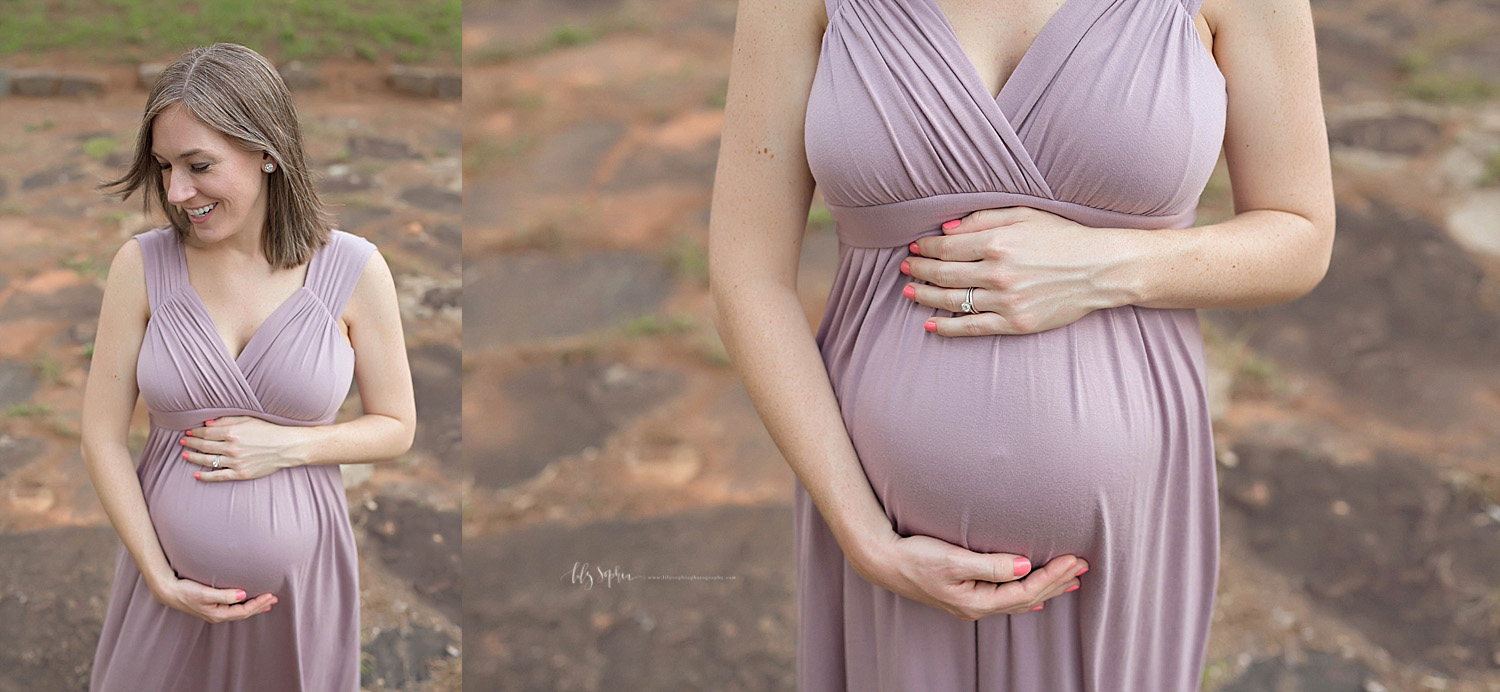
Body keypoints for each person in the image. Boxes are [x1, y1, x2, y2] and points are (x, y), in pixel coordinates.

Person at [708, 0, 1333, 688]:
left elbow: (1299, 235)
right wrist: (863, 535)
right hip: (884, 535)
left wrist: (1101, 268)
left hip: (1113, 544)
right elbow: (748, 275)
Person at [80, 43, 416, 691]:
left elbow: (396, 425)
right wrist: (160, 577)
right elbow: (100, 435)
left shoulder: (353, 270)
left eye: (199, 165)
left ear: (267, 150)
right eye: (164, 167)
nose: (176, 193)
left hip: (296, 596)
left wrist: (289, 447)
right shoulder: (141, 268)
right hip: (165, 593)